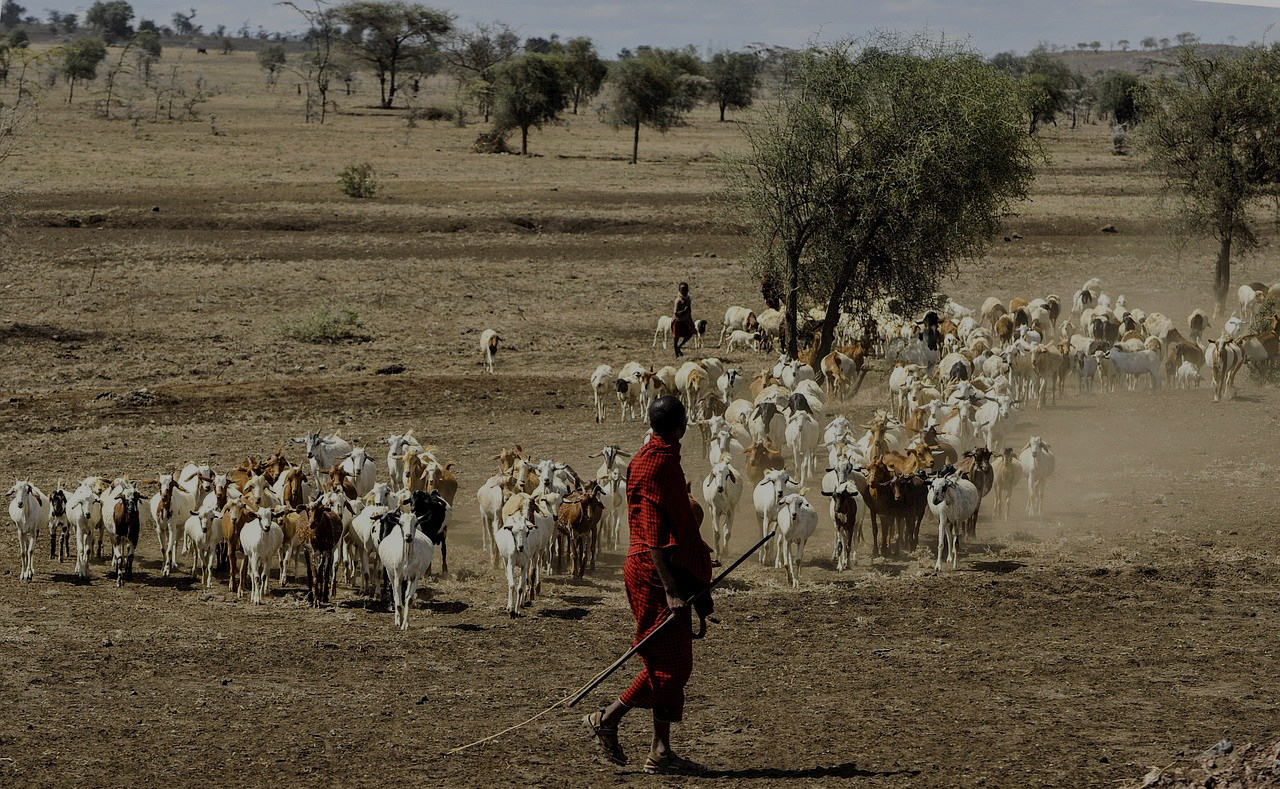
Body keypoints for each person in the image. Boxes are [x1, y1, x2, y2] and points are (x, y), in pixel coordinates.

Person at [583, 396, 712, 775]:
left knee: (665, 659)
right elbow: (654, 537)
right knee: (673, 669)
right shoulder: (656, 464)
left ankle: (660, 751)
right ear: (681, 426)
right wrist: (672, 587)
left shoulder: (658, 456)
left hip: (665, 569)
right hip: (655, 574)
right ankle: (608, 717)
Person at [671, 282, 695, 358]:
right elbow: (676, 313)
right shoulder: (678, 300)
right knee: (676, 337)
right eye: (682, 290)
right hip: (678, 321)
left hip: (685, 320)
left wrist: (691, 321)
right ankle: (676, 354)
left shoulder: (688, 299)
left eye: (685, 289)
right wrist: (684, 310)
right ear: (679, 290)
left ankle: (679, 347)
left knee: (690, 334)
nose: (684, 291)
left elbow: (689, 311)